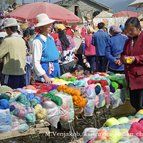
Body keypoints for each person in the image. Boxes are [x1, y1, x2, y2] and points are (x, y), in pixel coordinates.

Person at [121, 17, 143, 112]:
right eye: (127, 30)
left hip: (141, 78)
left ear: (138, 28)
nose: (129, 32)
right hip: (131, 78)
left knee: (141, 104)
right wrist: (123, 59)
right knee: (134, 103)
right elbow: (123, 54)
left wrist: (136, 58)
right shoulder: (128, 41)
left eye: (131, 30)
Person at [32, 13, 60, 84]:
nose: (50, 27)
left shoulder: (51, 38)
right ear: (41, 27)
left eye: (50, 25)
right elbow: (36, 62)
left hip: (54, 70)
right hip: (45, 72)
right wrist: (45, 76)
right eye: (47, 25)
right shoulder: (37, 41)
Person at [0, 18, 26, 89]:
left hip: (10, 73)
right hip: (21, 73)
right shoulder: (22, 40)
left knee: (7, 94)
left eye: (6, 29)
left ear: (9, 29)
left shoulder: (7, 41)